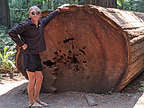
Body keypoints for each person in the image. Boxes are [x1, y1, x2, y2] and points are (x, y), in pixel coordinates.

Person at [8, 5, 69, 108]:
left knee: (40, 78)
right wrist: (22, 44)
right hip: (28, 55)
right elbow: (12, 32)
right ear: (29, 14)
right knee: (32, 79)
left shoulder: (41, 23)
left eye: (37, 13)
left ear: (40, 14)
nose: (35, 14)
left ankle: (37, 99)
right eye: (33, 13)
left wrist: (59, 9)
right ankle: (31, 102)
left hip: (36, 54)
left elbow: (49, 17)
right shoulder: (26, 25)